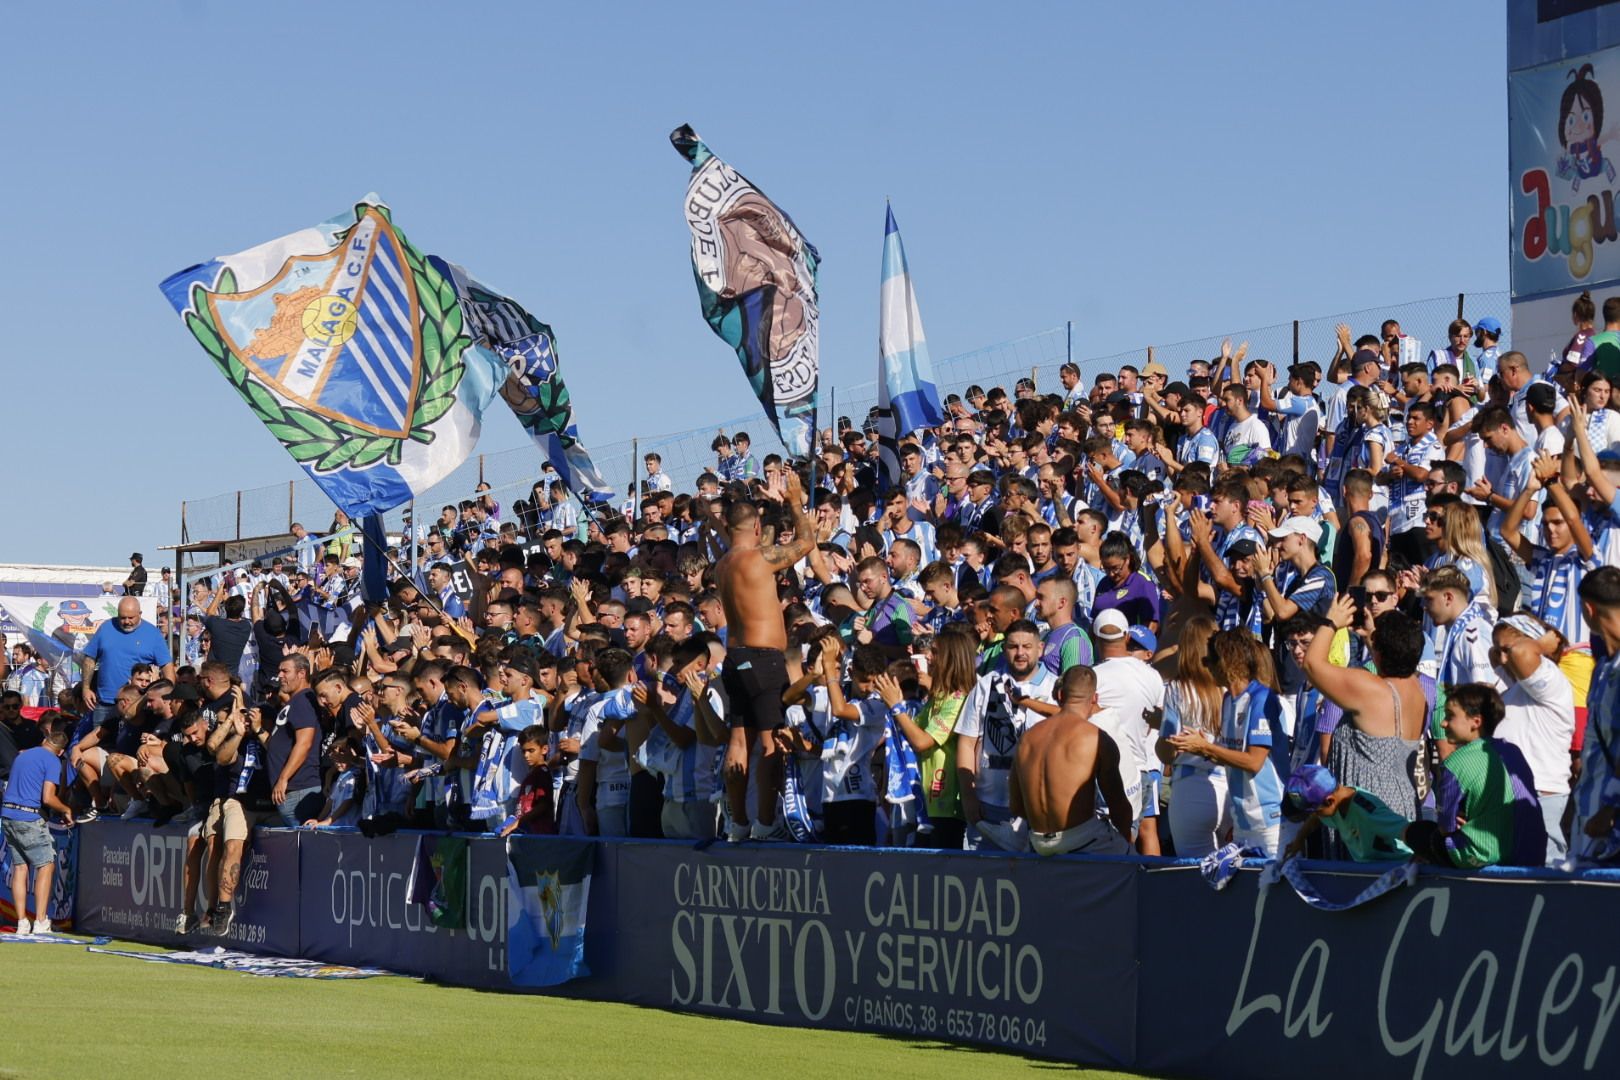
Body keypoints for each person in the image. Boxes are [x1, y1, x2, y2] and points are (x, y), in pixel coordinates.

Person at [715, 467, 816, 841]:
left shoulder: (722, 565)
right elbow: (806, 543)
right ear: (756, 527)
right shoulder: (760, 560)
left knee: (739, 740)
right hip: (763, 659)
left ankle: (737, 823)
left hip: (735, 657)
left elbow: (743, 538)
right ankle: (764, 822)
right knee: (771, 740)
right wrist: (793, 502)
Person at [1303, 596, 1428, 824]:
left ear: (1379, 652)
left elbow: (1312, 664)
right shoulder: (1416, 689)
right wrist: (1374, 637)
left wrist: (1331, 622)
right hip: (1401, 806)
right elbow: (1390, 662)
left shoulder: (1371, 690)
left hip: (1367, 815)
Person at [1168, 628, 1285, 856]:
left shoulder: (1262, 700)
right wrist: (1204, 749)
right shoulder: (1228, 699)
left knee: (1273, 891)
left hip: (1269, 823)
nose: (1205, 665)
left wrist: (1206, 748)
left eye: (1208, 660)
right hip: (1242, 822)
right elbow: (1232, 755)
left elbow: (1253, 762)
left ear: (1226, 661)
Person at [1404, 683, 1546, 870]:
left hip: (1484, 855)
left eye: (1450, 716)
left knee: (1416, 832)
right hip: (1534, 853)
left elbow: (1446, 828)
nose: (1442, 723)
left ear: (1476, 722)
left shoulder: (1454, 764)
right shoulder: (1513, 751)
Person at [1008, 665, 1135, 856]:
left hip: (1038, 843)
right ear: (1094, 699)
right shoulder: (1097, 739)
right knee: (1136, 867)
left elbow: (1016, 806)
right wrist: (1125, 847)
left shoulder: (1027, 738)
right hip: (1085, 841)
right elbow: (1119, 807)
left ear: (1059, 695)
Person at [954, 620, 1058, 850]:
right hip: (987, 805)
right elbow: (966, 741)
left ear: (1040, 649)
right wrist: (969, 797)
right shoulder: (986, 684)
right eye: (1013, 647)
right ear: (1004, 649)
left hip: (1037, 808)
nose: (1020, 653)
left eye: (1027, 647)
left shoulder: (1054, 689)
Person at [881, 628, 976, 850]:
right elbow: (912, 730)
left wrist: (896, 707)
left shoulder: (959, 699)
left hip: (948, 802)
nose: (928, 657)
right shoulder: (939, 696)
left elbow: (922, 741)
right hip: (927, 800)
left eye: (934, 652)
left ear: (951, 657)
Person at [1154, 616, 1228, 857]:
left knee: (1195, 876)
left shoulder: (1177, 688)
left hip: (1191, 789)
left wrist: (1160, 733)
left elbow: (1167, 749)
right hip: (1230, 789)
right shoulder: (1230, 687)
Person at [3, 716, 73, 935]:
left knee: (20, 868)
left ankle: (22, 921)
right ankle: (41, 921)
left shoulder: (23, 755)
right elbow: (48, 797)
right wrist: (66, 809)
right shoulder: (52, 760)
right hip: (29, 817)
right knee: (46, 865)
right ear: (61, 751)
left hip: (8, 815)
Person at [1281, 763, 1413, 862]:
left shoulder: (1367, 813)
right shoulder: (1335, 806)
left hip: (1399, 869)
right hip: (1370, 871)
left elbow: (1408, 830)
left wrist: (1421, 855)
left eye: (1315, 811)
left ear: (1329, 801)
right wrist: (1299, 840)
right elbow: (1314, 820)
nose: (1315, 815)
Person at [80, 597, 175, 728]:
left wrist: (168, 696)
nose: (126, 622)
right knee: (99, 745)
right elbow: (89, 658)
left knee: (130, 745)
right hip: (105, 702)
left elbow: (167, 666)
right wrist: (86, 688)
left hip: (137, 705)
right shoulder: (106, 628)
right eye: (122, 617)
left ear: (140, 614)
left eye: (131, 618)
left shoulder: (153, 634)